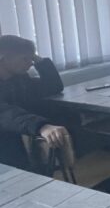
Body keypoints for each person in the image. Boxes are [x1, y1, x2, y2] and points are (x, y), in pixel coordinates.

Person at [0, 35, 67, 169]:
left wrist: (39, 60)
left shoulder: (20, 79)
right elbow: (4, 112)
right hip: (6, 142)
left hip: (19, 135)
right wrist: (41, 126)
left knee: (68, 117)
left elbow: (53, 87)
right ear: (3, 58)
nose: (31, 63)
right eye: (25, 58)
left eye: (31, 58)